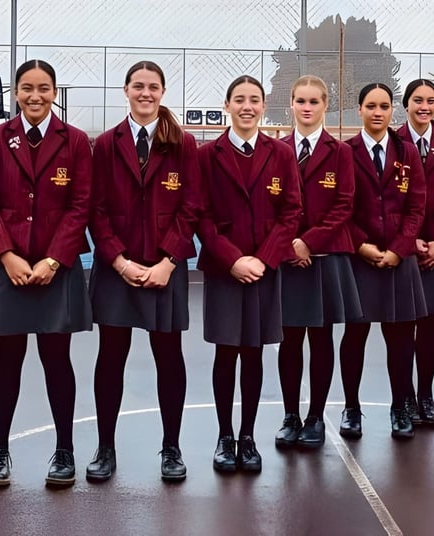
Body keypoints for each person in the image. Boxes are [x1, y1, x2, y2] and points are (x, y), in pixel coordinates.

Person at [0, 59, 93, 487]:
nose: (35, 96)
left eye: (44, 88)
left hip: (54, 270)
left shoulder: (76, 141)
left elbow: (80, 206)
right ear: (16, 93)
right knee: (6, 361)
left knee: (57, 360)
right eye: (27, 88)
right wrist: (7, 255)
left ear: (55, 92)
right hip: (8, 270)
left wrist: (54, 260)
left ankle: (65, 450)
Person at [86, 61, 201, 482]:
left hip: (164, 271)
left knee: (169, 359)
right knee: (110, 358)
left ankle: (172, 448)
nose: (146, 93)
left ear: (163, 91)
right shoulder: (105, 144)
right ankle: (105, 447)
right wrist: (117, 259)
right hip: (117, 269)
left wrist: (169, 261)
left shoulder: (183, 144)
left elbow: (191, 207)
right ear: (126, 90)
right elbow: (94, 209)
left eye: (153, 87)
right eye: (138, 86)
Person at [197, 75, 302, 473]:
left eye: (254, 100)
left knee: (254, 353)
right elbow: (200, 214)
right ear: (227, 106)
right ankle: (225, 436)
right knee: (226, 353)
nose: (247, 106)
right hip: (226, 271)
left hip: (263, 270)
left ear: (263, 106)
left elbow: (291, 211)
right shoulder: (208, 154)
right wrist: (232, 259)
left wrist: (263, 258)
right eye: (239, 99)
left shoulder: (280, 154)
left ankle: (248, 436)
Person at [274, 75, 360, 449]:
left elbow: (344, 205)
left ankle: (315, 417)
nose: (307, 108)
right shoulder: (276, 150)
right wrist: (289, 246)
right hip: (288, 259)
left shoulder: (340, 152)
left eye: (314, 101)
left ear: (325, 106)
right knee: (289, 339)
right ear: (290, 104)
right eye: (301, 101)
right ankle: (291, 415)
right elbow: (272, 206)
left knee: (321, 338)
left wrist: (308, 242)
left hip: (324, 258)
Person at [339, 83, 427, 440]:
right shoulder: (345, 153)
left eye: (385, 106)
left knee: (402, 339)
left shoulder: (407, 153)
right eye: (371, 106)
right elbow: (342, 208)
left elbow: (416, 208)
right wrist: (361, 246)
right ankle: (351, 407)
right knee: (354, 336)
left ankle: (399, 406)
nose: (378, 112)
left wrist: (399, 247)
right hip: (361, 261)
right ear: (359, 109)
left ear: (393, 111)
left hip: (398, 259)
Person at [398, 79, 434, 425]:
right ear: (406, 104)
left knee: (430, 330)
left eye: (431, 101)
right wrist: (410, 242)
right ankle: (405, 396)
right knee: (404, 330)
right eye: (418, 100)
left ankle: (426, 394)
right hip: (406, 250)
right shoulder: (395, 143)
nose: (424, 106)